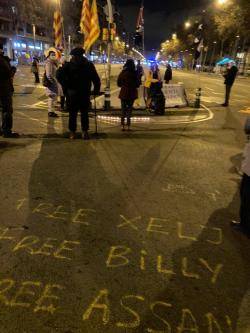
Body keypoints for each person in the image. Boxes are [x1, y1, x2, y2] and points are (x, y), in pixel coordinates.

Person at [57, 47, 100, 140]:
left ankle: (72, 133)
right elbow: (96, 80)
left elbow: (58, 75)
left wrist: (66, 87)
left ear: (73, 56)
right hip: (84, 93)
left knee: (72, 114)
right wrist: (96, 91)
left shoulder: (68, 65)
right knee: (84, 113)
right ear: (82, 55)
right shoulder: (89, 65)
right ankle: (85, 132)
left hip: (72, 94)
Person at [231, 141, 250, 236]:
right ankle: (244, 224)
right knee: (244, 195)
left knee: (247, 199)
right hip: (247, 170)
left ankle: (246, 227)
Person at [0, 43, 19, 138]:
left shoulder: (4, 60)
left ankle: (2, 130)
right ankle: (7, 131)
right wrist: (13, 70)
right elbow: (6, 75)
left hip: (4, 88)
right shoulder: (2, 61)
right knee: (7, 110)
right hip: (4, 89)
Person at [117, 59, 140, 131]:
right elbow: (138, 84)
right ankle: (128, 125)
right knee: (129, 110)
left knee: (123, 109)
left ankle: (122, 125)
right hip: (132, 93)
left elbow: (118, 83)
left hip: (124, 92)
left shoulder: (123, 72)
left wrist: (123, 85)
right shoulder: (135, 73)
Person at [45, 51, 59, 118]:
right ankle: (50, 112)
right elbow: (48, 75)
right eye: (52, 54)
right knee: (51, 98)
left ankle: (52, 111)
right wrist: (53, 82)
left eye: (54, 54)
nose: (53, 56)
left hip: (54, 83)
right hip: (51, 83)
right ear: (49, 55)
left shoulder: (53, 62)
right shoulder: (49, 63)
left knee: (53, 98)